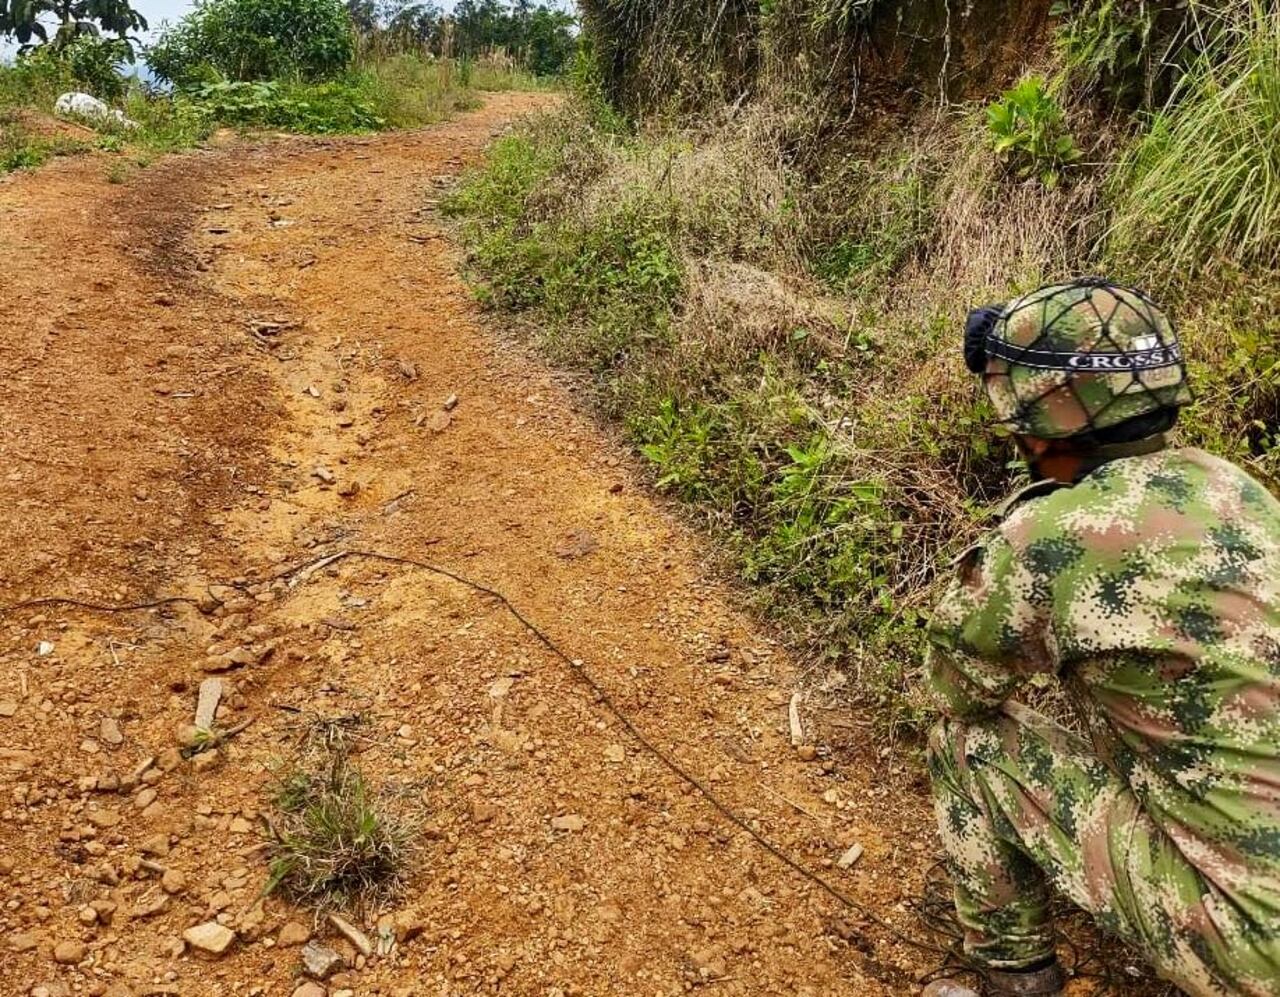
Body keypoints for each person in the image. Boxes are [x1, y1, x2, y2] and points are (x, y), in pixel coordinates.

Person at [921, 278, 1280, 997]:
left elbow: (954, 688)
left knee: (969, 743)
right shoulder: (1235, 487)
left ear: (1045, 422)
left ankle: (1014, 980)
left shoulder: (1046, 537)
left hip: (1256, 946)